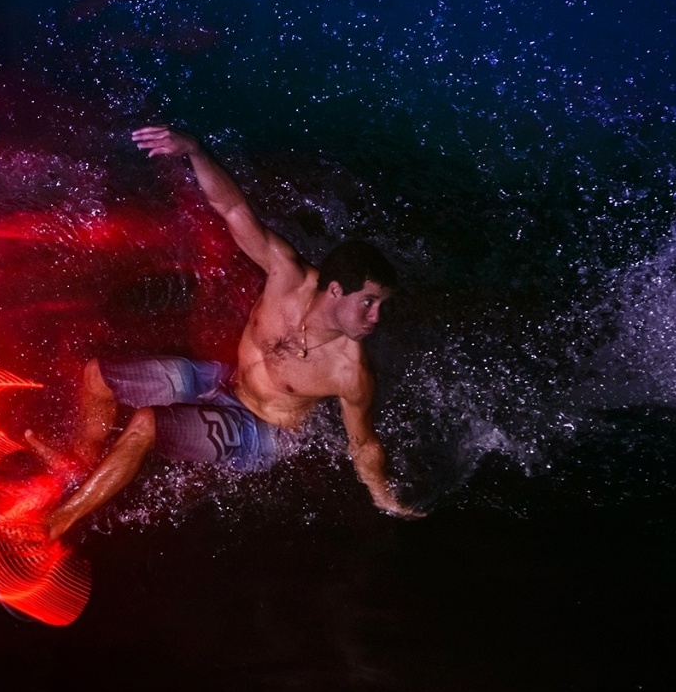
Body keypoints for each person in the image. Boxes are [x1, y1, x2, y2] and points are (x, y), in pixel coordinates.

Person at [31, 126, 423, 540]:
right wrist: (194, 151)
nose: (376, 317)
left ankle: (58, 522)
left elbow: (364, 445)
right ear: (336, 290)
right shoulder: (284, 275)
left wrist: (385, 498)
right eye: (369, 302)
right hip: (224, 381)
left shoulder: (349, 372)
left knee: (146, 425)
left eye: (381, 306)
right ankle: (78, 465)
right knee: (98, 376)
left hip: (261, 433)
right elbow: (233, 209)